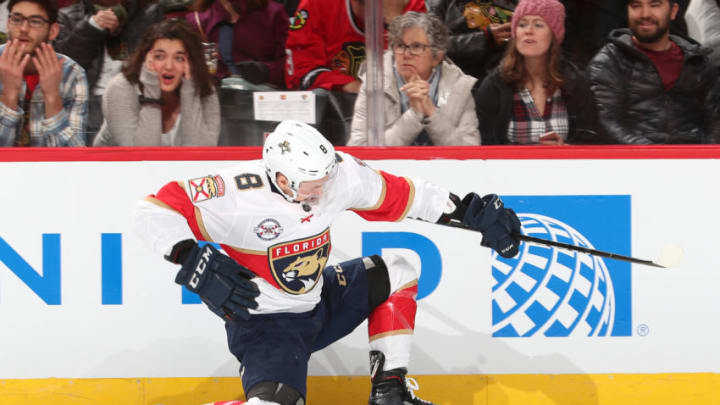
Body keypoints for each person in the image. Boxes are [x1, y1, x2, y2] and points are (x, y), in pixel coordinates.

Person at [133, 120, 522, 405]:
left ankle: (390, 392)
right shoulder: (235, 194)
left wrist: (467, 210)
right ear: (281, 178)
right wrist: (189, 256)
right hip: (267, 328)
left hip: (319, 303)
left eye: (324, 178)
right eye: (309, 183)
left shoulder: (337, 174)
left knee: (400, 268)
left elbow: (403, 195)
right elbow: (152, 209)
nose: (320, 190)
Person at [587, 0, 720, 144]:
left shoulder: (697, 60)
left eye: (655, 5)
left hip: (697, 160)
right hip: (634, 161)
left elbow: (714, 121)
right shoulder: (609, 62)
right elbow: (608, 124)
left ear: (673, 11)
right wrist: (656, 157)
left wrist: (702, 157)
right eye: (636, 6)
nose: (645, 14)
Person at [474, 0, 600, 145]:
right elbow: (483, 146)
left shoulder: (575, 81)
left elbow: (591, 141)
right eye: (522, 24)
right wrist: (527, 155)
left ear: (554, 34)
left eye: (538, 24)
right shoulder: (495, 84)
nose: (528, 30)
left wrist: (567, 150)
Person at [348, 12, 480, 146]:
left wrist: (432, 114)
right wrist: (414, 115)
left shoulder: (459, 86)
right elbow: (359, 148)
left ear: (437, 57)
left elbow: (470, 151)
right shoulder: (374, 83)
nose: (406, 54)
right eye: (400, 45)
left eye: (416, 47)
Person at [93, 19, 220, 146]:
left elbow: (200, 156)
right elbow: (142, 156)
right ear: (145, 58)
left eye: (179, 58)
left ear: (192, 62)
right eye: (159, 56)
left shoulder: (205, 90)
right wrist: (151, 89)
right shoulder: (121, 88)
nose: (169, 66)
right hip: (115, 165)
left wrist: (190, 90)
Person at [55, 0, 164, 144]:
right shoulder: (67, 16)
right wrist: (92, 27)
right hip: (88, 101)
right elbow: (66, 69)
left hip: (137, 98)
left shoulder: (149, 13)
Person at [284, 0, 426, 92]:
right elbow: (302, 73)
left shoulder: (410, 4)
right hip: (335, 111)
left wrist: (395, 21)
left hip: (398, 113)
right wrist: (352, 86)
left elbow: (424, 73)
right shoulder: (317, 4)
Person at [0, 0, 88, 146]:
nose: (23, 28)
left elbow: (74, 158)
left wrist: (52, 97)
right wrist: (9, 96)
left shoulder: (72, 73)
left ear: (53, 31)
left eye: (35, 21)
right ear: (8, 24)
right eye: (17, 19)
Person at [185, 0, 288, 86]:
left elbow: (290, 63)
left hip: (264, 99)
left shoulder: (273, 13)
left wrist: (266, 70)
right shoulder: (197, 20)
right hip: (216, 100)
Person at [426, 0, 515, 82]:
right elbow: (434, 44)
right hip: (460, 80)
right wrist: (484, 39)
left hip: (506, 75)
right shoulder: (441, 4)